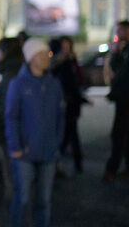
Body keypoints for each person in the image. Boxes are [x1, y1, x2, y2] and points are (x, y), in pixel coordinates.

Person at [5, 38, 65, 227]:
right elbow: (11, 116)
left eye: (47, 54)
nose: (47, 58)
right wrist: (15, 146)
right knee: (22, 200)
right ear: (31, 57)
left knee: (44, 201)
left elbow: (60, 117)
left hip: (48, 152)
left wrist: (57, 143)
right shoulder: (18, 84)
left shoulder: (54, 84)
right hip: (24, 153)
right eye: (42, 54)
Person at [102, 21, 129, 181]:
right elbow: (116, 68)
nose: (118, 33)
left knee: (118, 134)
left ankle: (112, 169)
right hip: (124, 98)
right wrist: (114, 53)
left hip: (128, 98)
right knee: (127, 134)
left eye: (120, 30)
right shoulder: (125, 49)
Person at [0, 37, 23, 227]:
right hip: (1, 134)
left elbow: (6, 109)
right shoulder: (6, 71)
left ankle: (20, 219)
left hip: (5, 135)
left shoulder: (10, 74)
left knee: (10, 180)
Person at [50, 36, 85, 175]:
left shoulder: (72, 60)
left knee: (70, 132)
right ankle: (60, 162)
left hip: (72, 101)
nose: (66, 49)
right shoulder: (55, 61)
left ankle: (74, 162)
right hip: (61, 102)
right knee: (66, 133)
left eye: (68, 46)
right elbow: (52, 76)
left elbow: (77, 80)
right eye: (63, 46)